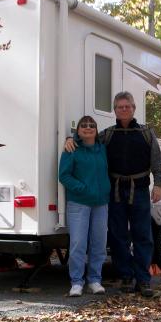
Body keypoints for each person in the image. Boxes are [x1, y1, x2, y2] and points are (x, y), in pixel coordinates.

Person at [65, 91, 161, 297]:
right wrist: (70, 138)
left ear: (134, 108)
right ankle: (126, 277)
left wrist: (159, 184)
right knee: (118, 236)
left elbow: (157, 161)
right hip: (116, 191)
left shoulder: (146, 133)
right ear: (115, 111)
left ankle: (143, 280)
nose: (124, 110)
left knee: (143, 235)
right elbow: (87, 139)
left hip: (139, 190)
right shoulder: (108, 134)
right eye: (120, 107)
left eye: (127, 106)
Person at [59, 115, 110, 297]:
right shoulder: (71, 149)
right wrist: (82, 188)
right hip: (78, 203)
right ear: (78, 130)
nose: (88, 128)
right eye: (83, 126)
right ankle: (76, 283)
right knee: (78, 244)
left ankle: (95, 281)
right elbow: (64, 175)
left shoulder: (103, 149)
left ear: (96, 130)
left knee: (99, 244)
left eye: (91, 126)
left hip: (101, 204)